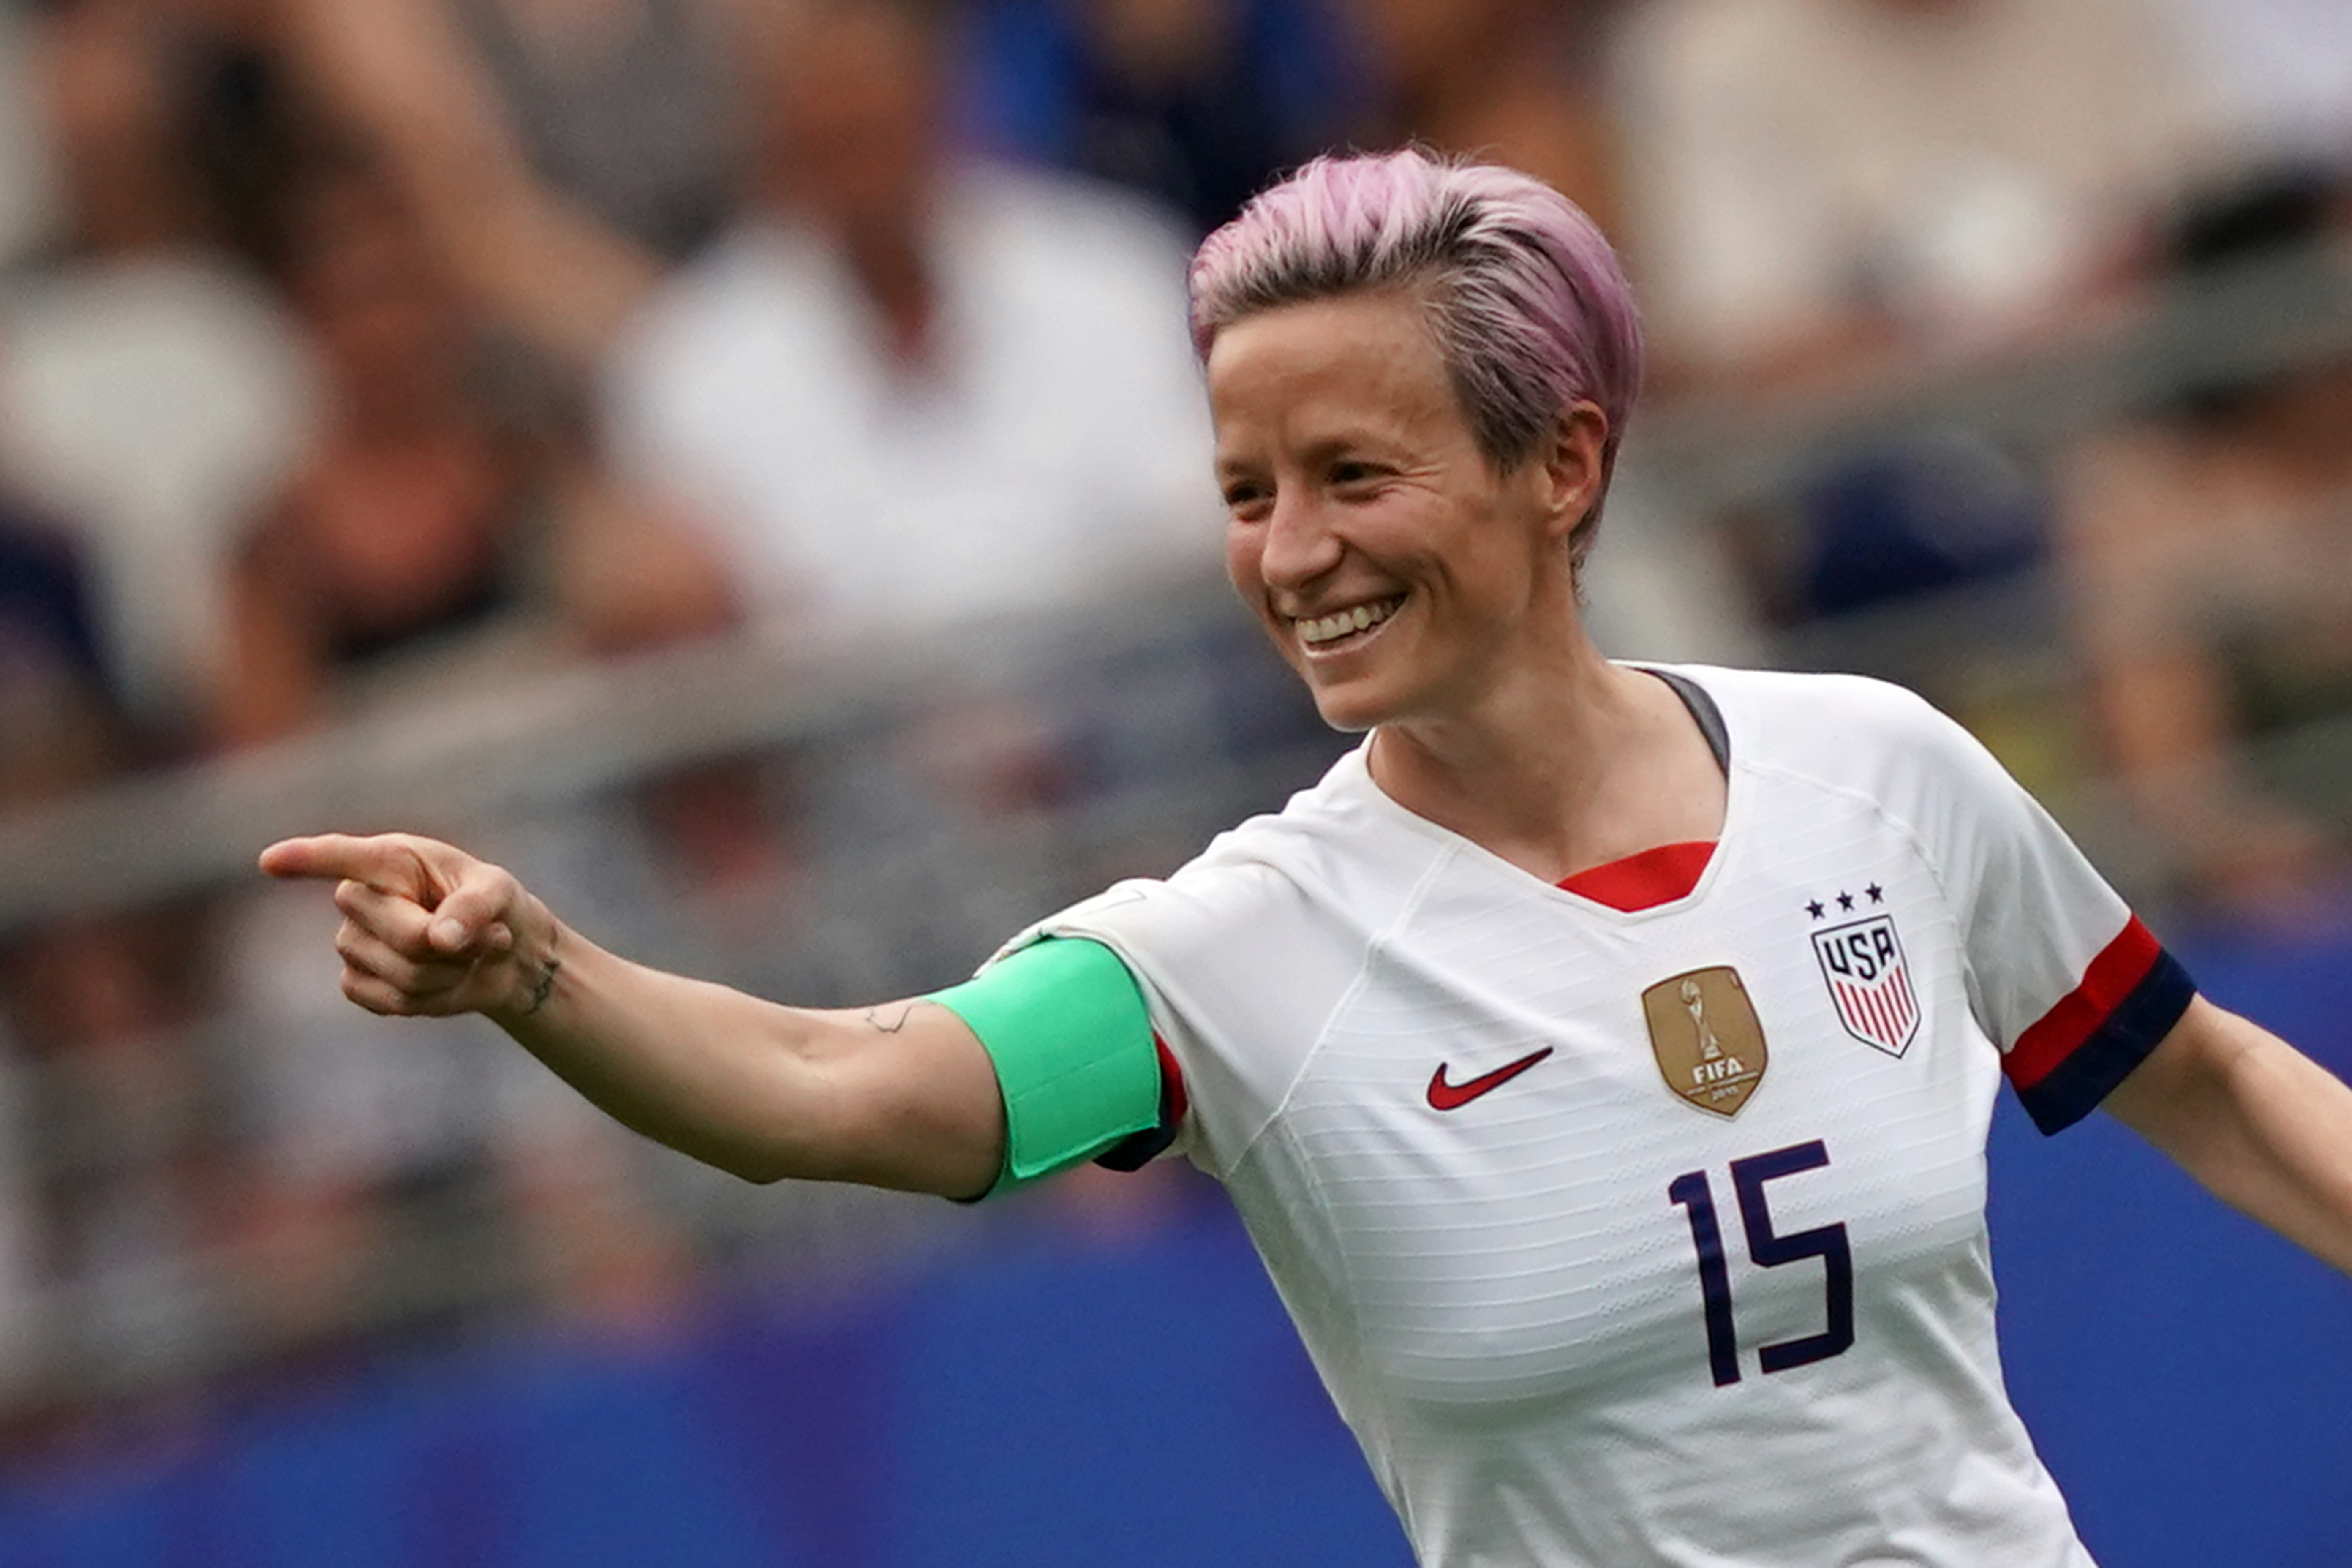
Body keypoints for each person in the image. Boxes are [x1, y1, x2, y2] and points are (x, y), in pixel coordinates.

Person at [259, 150, 2352, 1567]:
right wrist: (539, 973)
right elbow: (832, 1092)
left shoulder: (1876, 774)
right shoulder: (1242, 954)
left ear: (1564, 465)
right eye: (1248, 488)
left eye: (1354, 474)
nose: (1292, 554)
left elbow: (2210, 1076)